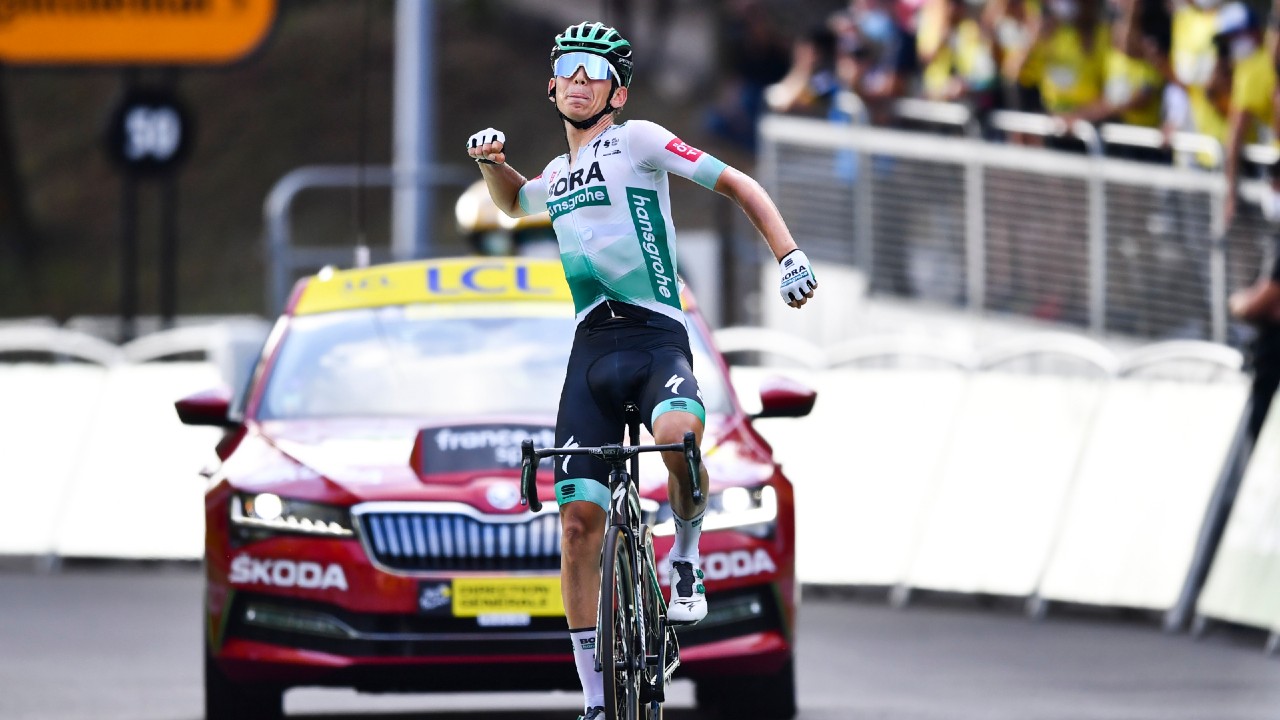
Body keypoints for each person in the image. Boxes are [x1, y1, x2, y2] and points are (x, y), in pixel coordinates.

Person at [464, 21, 818, 720]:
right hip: (590, 350)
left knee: (682, 432)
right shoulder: (558, 178)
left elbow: (738, 182)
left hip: (656, 336)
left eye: (595, 72)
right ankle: (596, 698)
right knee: (576, 526)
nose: (580, 80)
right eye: (569, 67)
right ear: (552, 84)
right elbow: (514, 202)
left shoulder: (642, 140)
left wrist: (788, 254)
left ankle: (685, 552)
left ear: (618, 91)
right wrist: (492, 165)